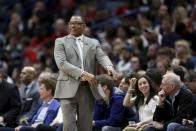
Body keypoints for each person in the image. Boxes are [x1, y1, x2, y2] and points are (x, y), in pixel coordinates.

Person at [54, 15, 117, 131]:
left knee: (85, 127)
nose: (72, 26)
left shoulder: (93, 43)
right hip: (67, 87)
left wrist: (109, 67)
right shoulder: (60, 41)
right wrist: (83, 73)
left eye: (76, 23)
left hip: (87, 89)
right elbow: (62, 63)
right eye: (70, 23)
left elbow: (102, 57)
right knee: (68, 126)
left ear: (83, 26)